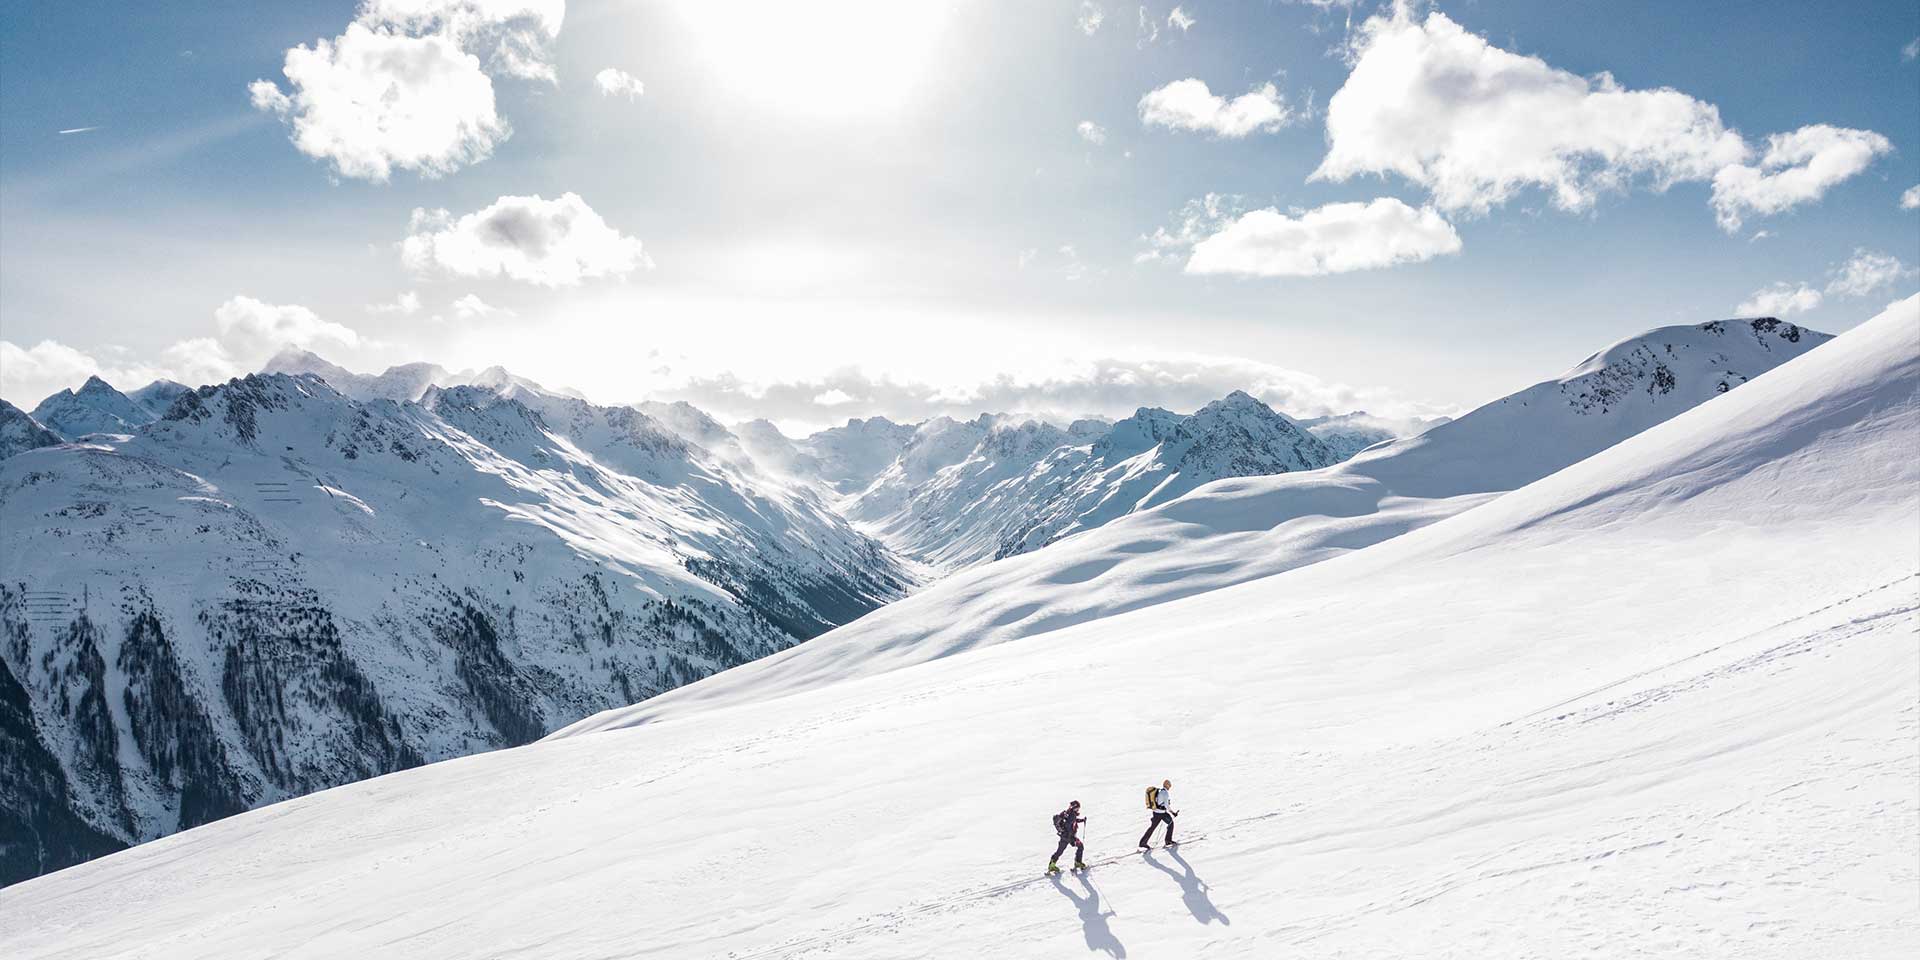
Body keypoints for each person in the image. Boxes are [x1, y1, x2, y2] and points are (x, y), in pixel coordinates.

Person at [1049, 800, 1087, 873]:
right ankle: (1078, 862)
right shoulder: (1072, 815)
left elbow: (1073, 821)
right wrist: (1072, 838)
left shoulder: (1067, 813)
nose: (1078, 809)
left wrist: (1082, 820)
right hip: (1069, 837)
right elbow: (1068, 824)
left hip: (1063, 836)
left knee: (1059, 851)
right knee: (1080, 846)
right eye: (1077, 808)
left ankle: (1051, 865)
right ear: (1074, 807)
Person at [1139, 779, 1177, 849]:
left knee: (1152, 828)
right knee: (1171, 823)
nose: (1170, 787)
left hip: (1155, 812)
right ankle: (1168, 840)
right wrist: (1173, 812)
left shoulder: (1159, 791)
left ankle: (1143, 842)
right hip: (1161, 814)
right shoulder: (1165, 793)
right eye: (1169, 785)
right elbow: (1166, 805)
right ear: (1167, 785)